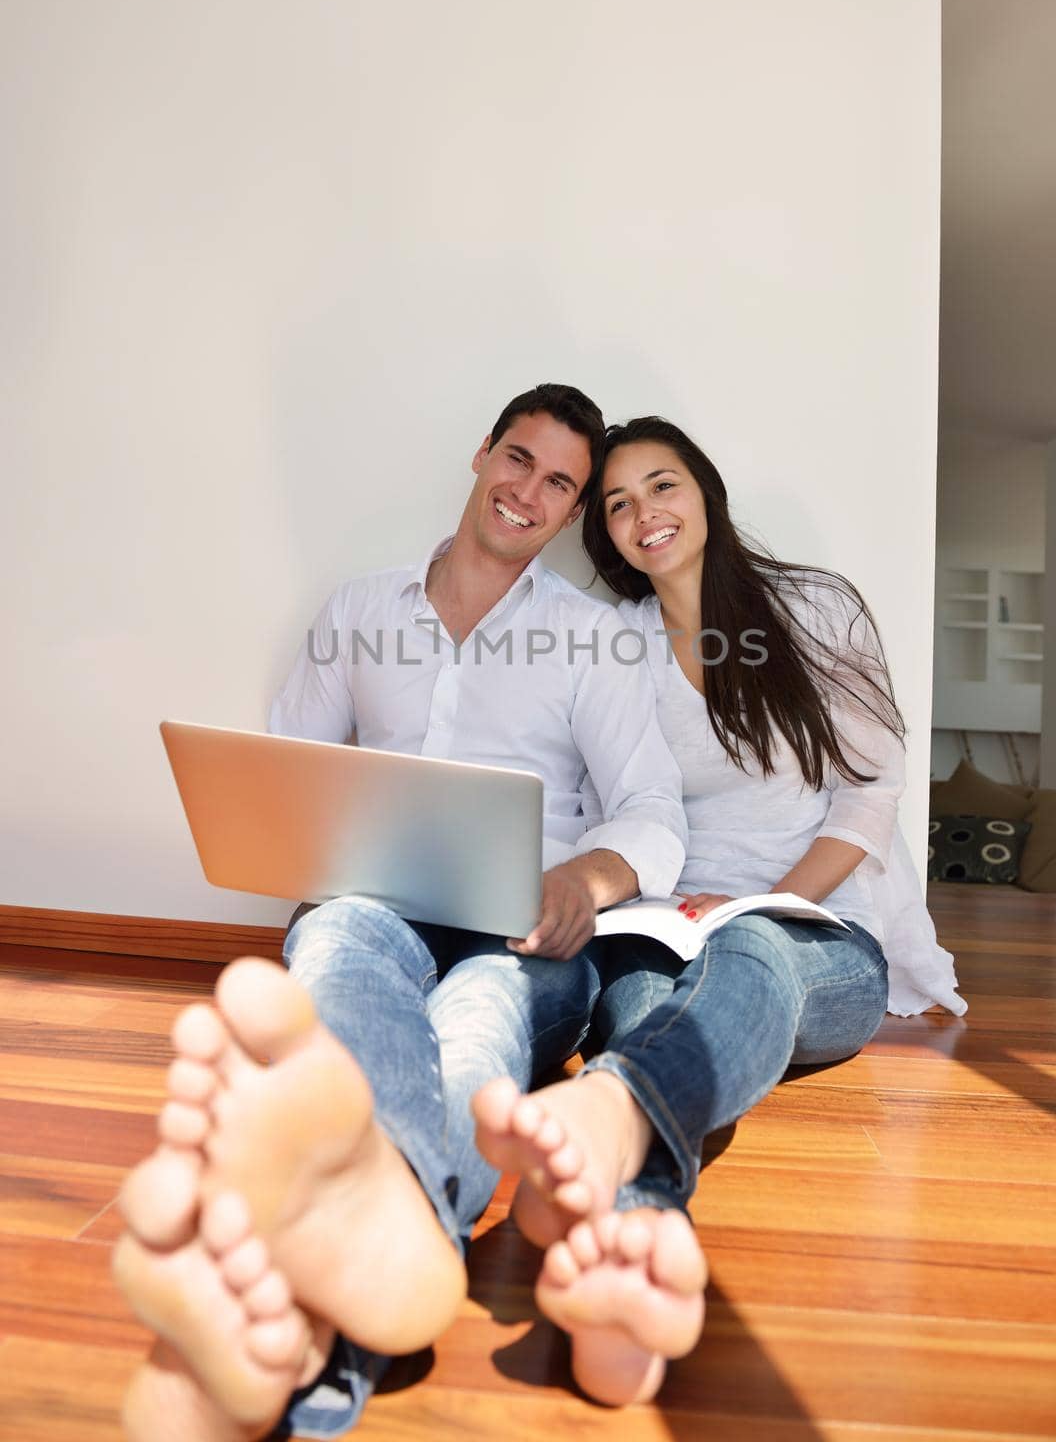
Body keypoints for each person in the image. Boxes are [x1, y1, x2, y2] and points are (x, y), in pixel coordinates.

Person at [111, 388, 688, 1442]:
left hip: (523, 929)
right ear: (481, 455)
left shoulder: (591, 640)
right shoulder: (361, 608)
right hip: (370, 904)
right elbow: (289, 766)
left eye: (559, 482)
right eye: (518, 459)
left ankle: (337, 1298)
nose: (530, 489)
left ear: (568, 513)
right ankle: (395, 1254)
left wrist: (583, 884)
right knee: (331, 947)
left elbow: (653, 815)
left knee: (478, 1026)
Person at [472, 415, 965, 1407]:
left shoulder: (814, 609)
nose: (642, 513)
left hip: (817, 927)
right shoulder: (616, 644)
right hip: (663, 915)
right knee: (644, 997)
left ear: (705, 490)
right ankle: (645, 1236)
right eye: (615, 504)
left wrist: (765, 900)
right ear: (605, 536)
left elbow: (870, 792)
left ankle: (610, 1108)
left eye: (662, 485)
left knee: (753, 952)